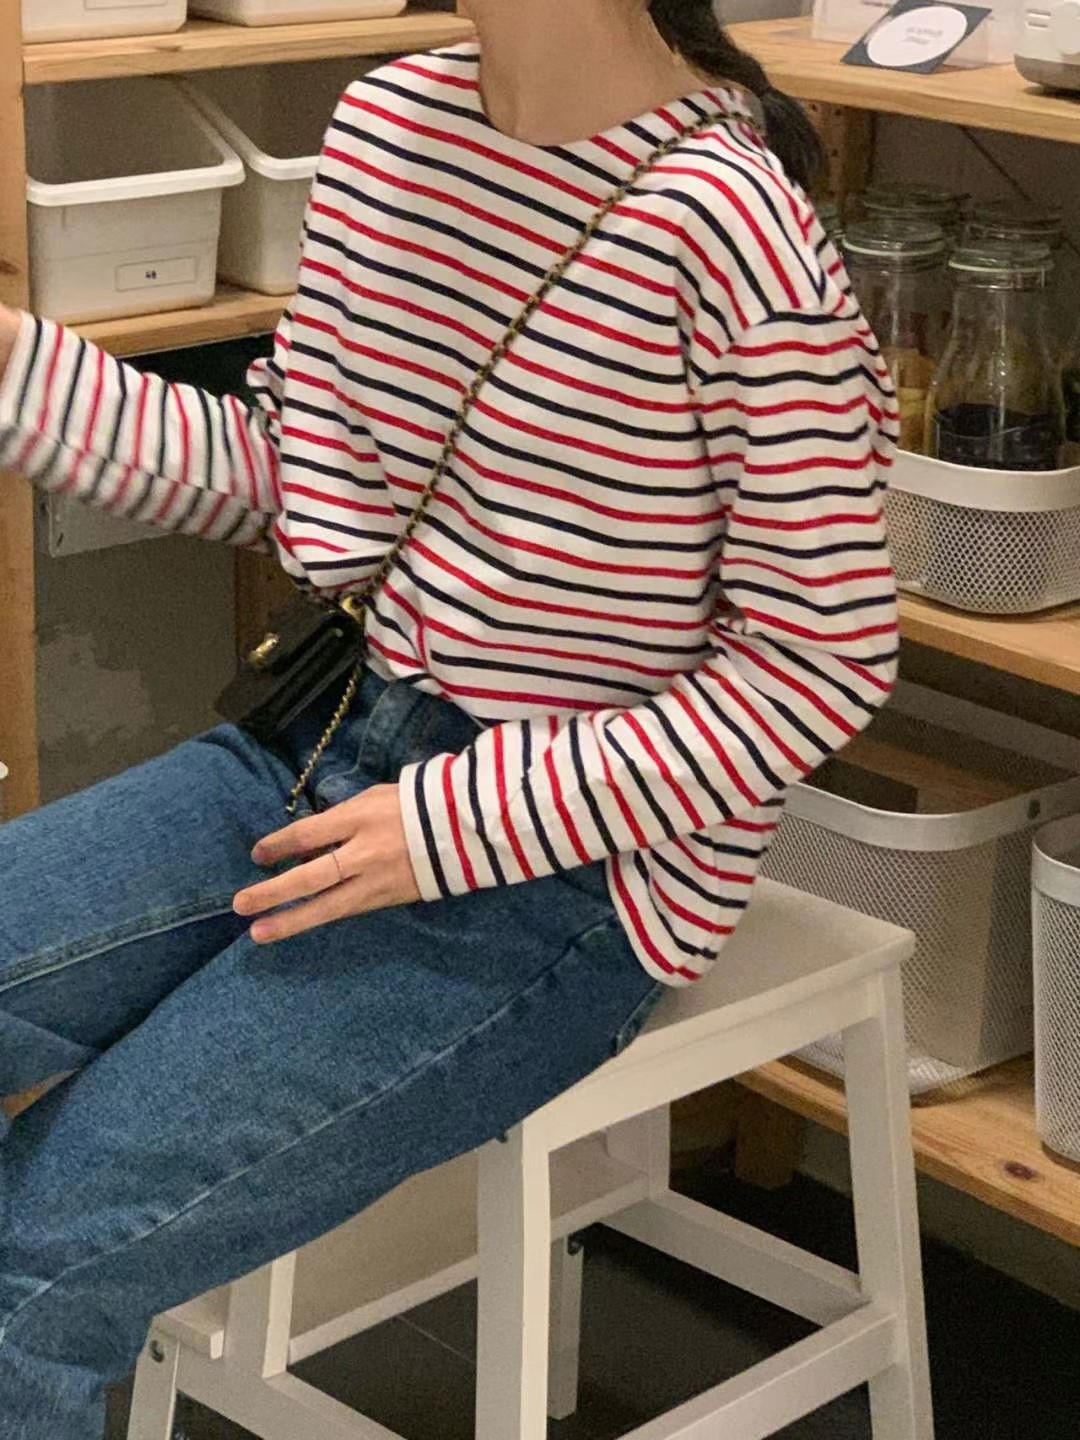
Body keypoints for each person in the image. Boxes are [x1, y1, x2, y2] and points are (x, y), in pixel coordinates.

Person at [0, 0, 899, 1433]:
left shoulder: (734, 232)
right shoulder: (390, 127)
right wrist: (14, 371)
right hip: (319, 744)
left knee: (31, 1268)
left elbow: (820, 659)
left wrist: (449, 829)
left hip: (573, 875)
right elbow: (299, 476)